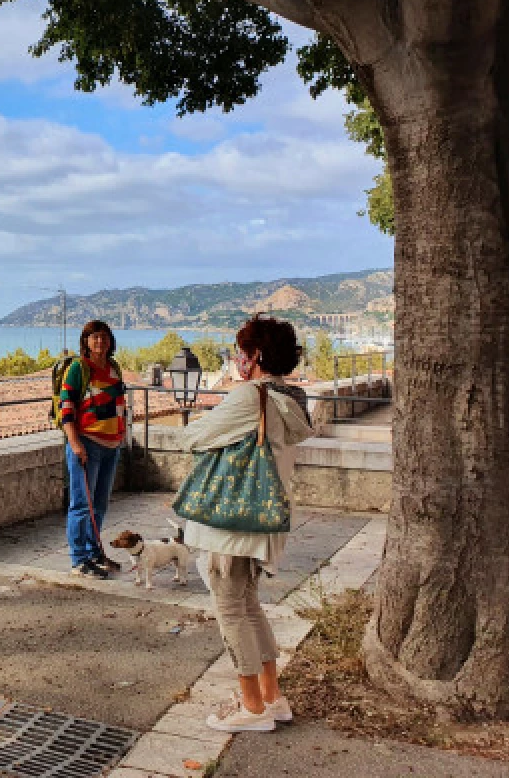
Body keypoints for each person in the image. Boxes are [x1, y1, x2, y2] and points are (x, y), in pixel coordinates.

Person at [179, 314, 314, 733]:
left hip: (233, 525)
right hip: (265, 519)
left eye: (241, 351)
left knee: (231, 610)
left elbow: (192, 436)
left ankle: (252, 707)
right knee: (250, 606)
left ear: (255, 355)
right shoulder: (289, 398)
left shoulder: (250, 396)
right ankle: (272, 698)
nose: (238, 358)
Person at [59, 319, 128, 579]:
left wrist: (120, 436)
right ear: (86, 342)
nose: (100, 342)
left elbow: (119, 404)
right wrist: (75, 443)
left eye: (104, 337)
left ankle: (93, 551)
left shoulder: (113, 368)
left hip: (111, 446)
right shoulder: (79, 368)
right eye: (94, 337)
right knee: (81, 505)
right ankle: (79, 560)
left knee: (99, 504)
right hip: (87, 444)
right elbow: (66, 407)